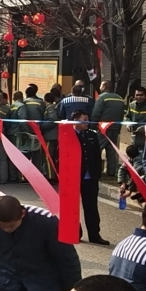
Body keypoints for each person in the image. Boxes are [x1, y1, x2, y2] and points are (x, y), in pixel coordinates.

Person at [63, 104, 108, 244]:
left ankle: (95, 235)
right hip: (74, 178)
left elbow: (96, 155)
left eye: (88, 119)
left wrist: (97, 174)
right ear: (75, 120)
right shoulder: (67, 135)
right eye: (84, 119)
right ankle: (75, 233)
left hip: (90, 177)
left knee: (91, 207)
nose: (87, 122)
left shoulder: (91, 135)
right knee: (72, 207)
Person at [92, 83, 130, 180]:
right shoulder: (120, 99)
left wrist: (93, 126)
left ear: (104, 87)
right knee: (112, 151)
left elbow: (96, 113)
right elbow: (122, 115)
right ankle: (111, 172)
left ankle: (96, 171)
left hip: (103, 129)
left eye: (101, 86)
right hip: (115, 128)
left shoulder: (102, 98)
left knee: (97, 149)